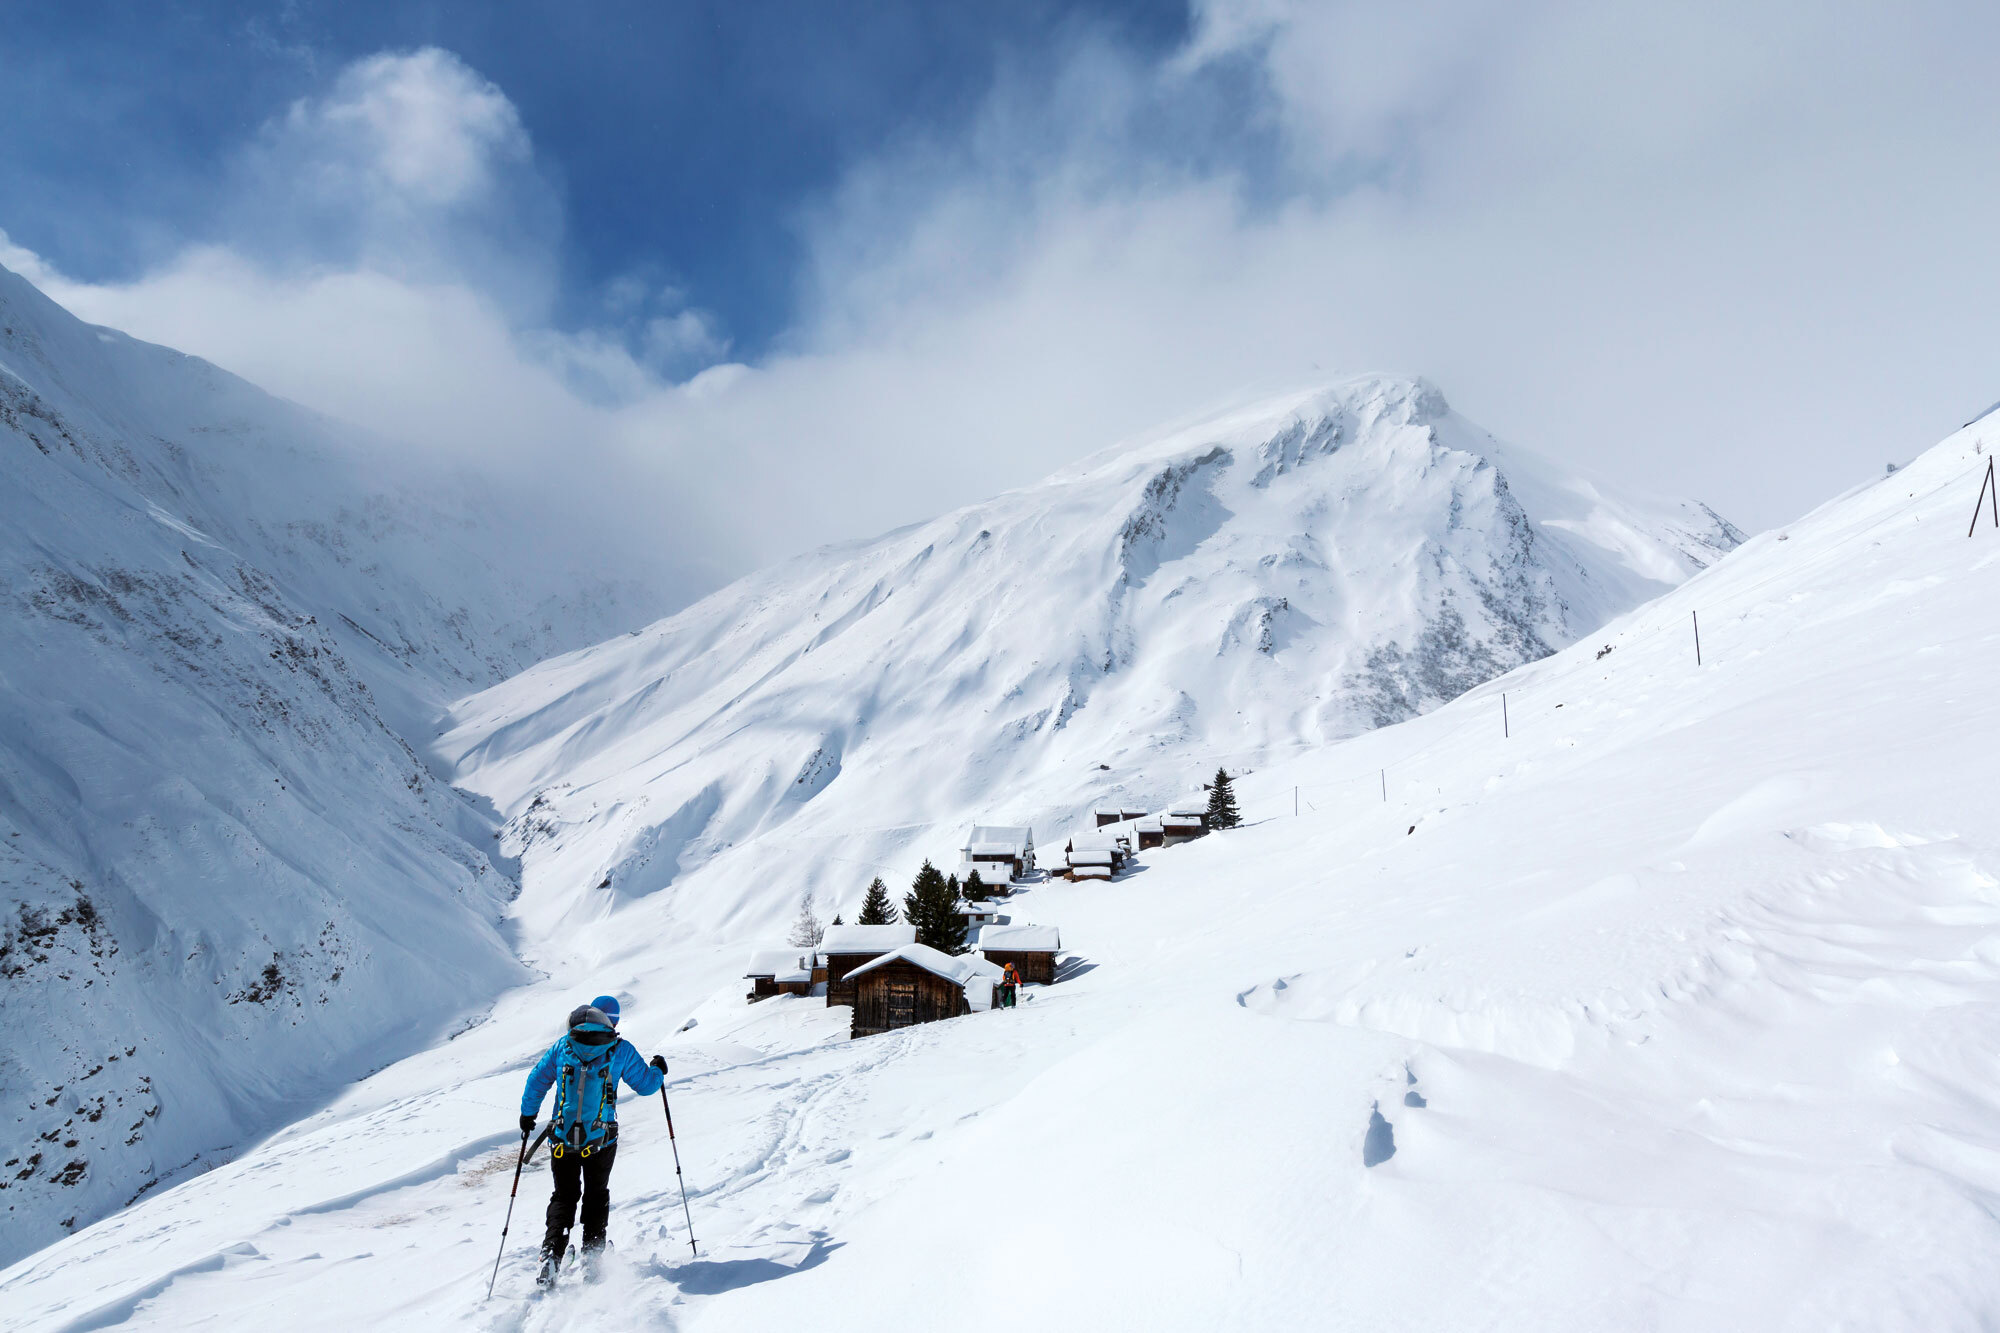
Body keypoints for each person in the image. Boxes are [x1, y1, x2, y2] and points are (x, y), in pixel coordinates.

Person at [519, 994, 667, 1287]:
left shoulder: (564, 1046)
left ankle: (552, 1254)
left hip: (562, 1139)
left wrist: (528, 1115)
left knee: (564, 1196)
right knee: (596, 1194)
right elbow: (647, 1086)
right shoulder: (620, 1049)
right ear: (614, 1022)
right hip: (601, 1140)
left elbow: (537, 1081)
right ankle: (593, 1255)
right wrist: (658, 1070)